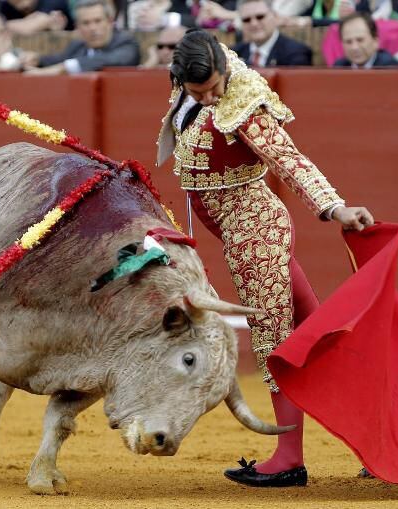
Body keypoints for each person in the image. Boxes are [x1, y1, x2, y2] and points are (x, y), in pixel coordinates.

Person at [156, 29, 373, 487]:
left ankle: (290, 457)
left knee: (277, 343)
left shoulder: (243, 103)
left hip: (256, 235)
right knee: (320, 340)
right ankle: (379, 442)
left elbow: (290, 160)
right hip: (240, 232)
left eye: (216, 86)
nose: (212, 97)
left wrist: (334, 208)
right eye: (201, 92)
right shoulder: (189, 77)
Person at [24, 0, 140, 75]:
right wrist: (37, 59)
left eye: (98, 21)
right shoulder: (78, 46)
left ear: (110, 22)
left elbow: (107, 60)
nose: (93, 28)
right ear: (78, 27)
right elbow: (58, 60)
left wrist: (63, 69)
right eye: (86, 23)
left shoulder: (127, 43)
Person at [232, 0, 313, 66]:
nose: (254, 23)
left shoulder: (296, 53)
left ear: (275, 16)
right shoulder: (234, 54)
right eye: (247, 20)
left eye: (260, 17)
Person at [333, 11, 398, 67]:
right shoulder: (340, 66)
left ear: (375, 41)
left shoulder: (390, 67)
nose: (354, 47)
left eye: (360, 40)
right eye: (348, 42)